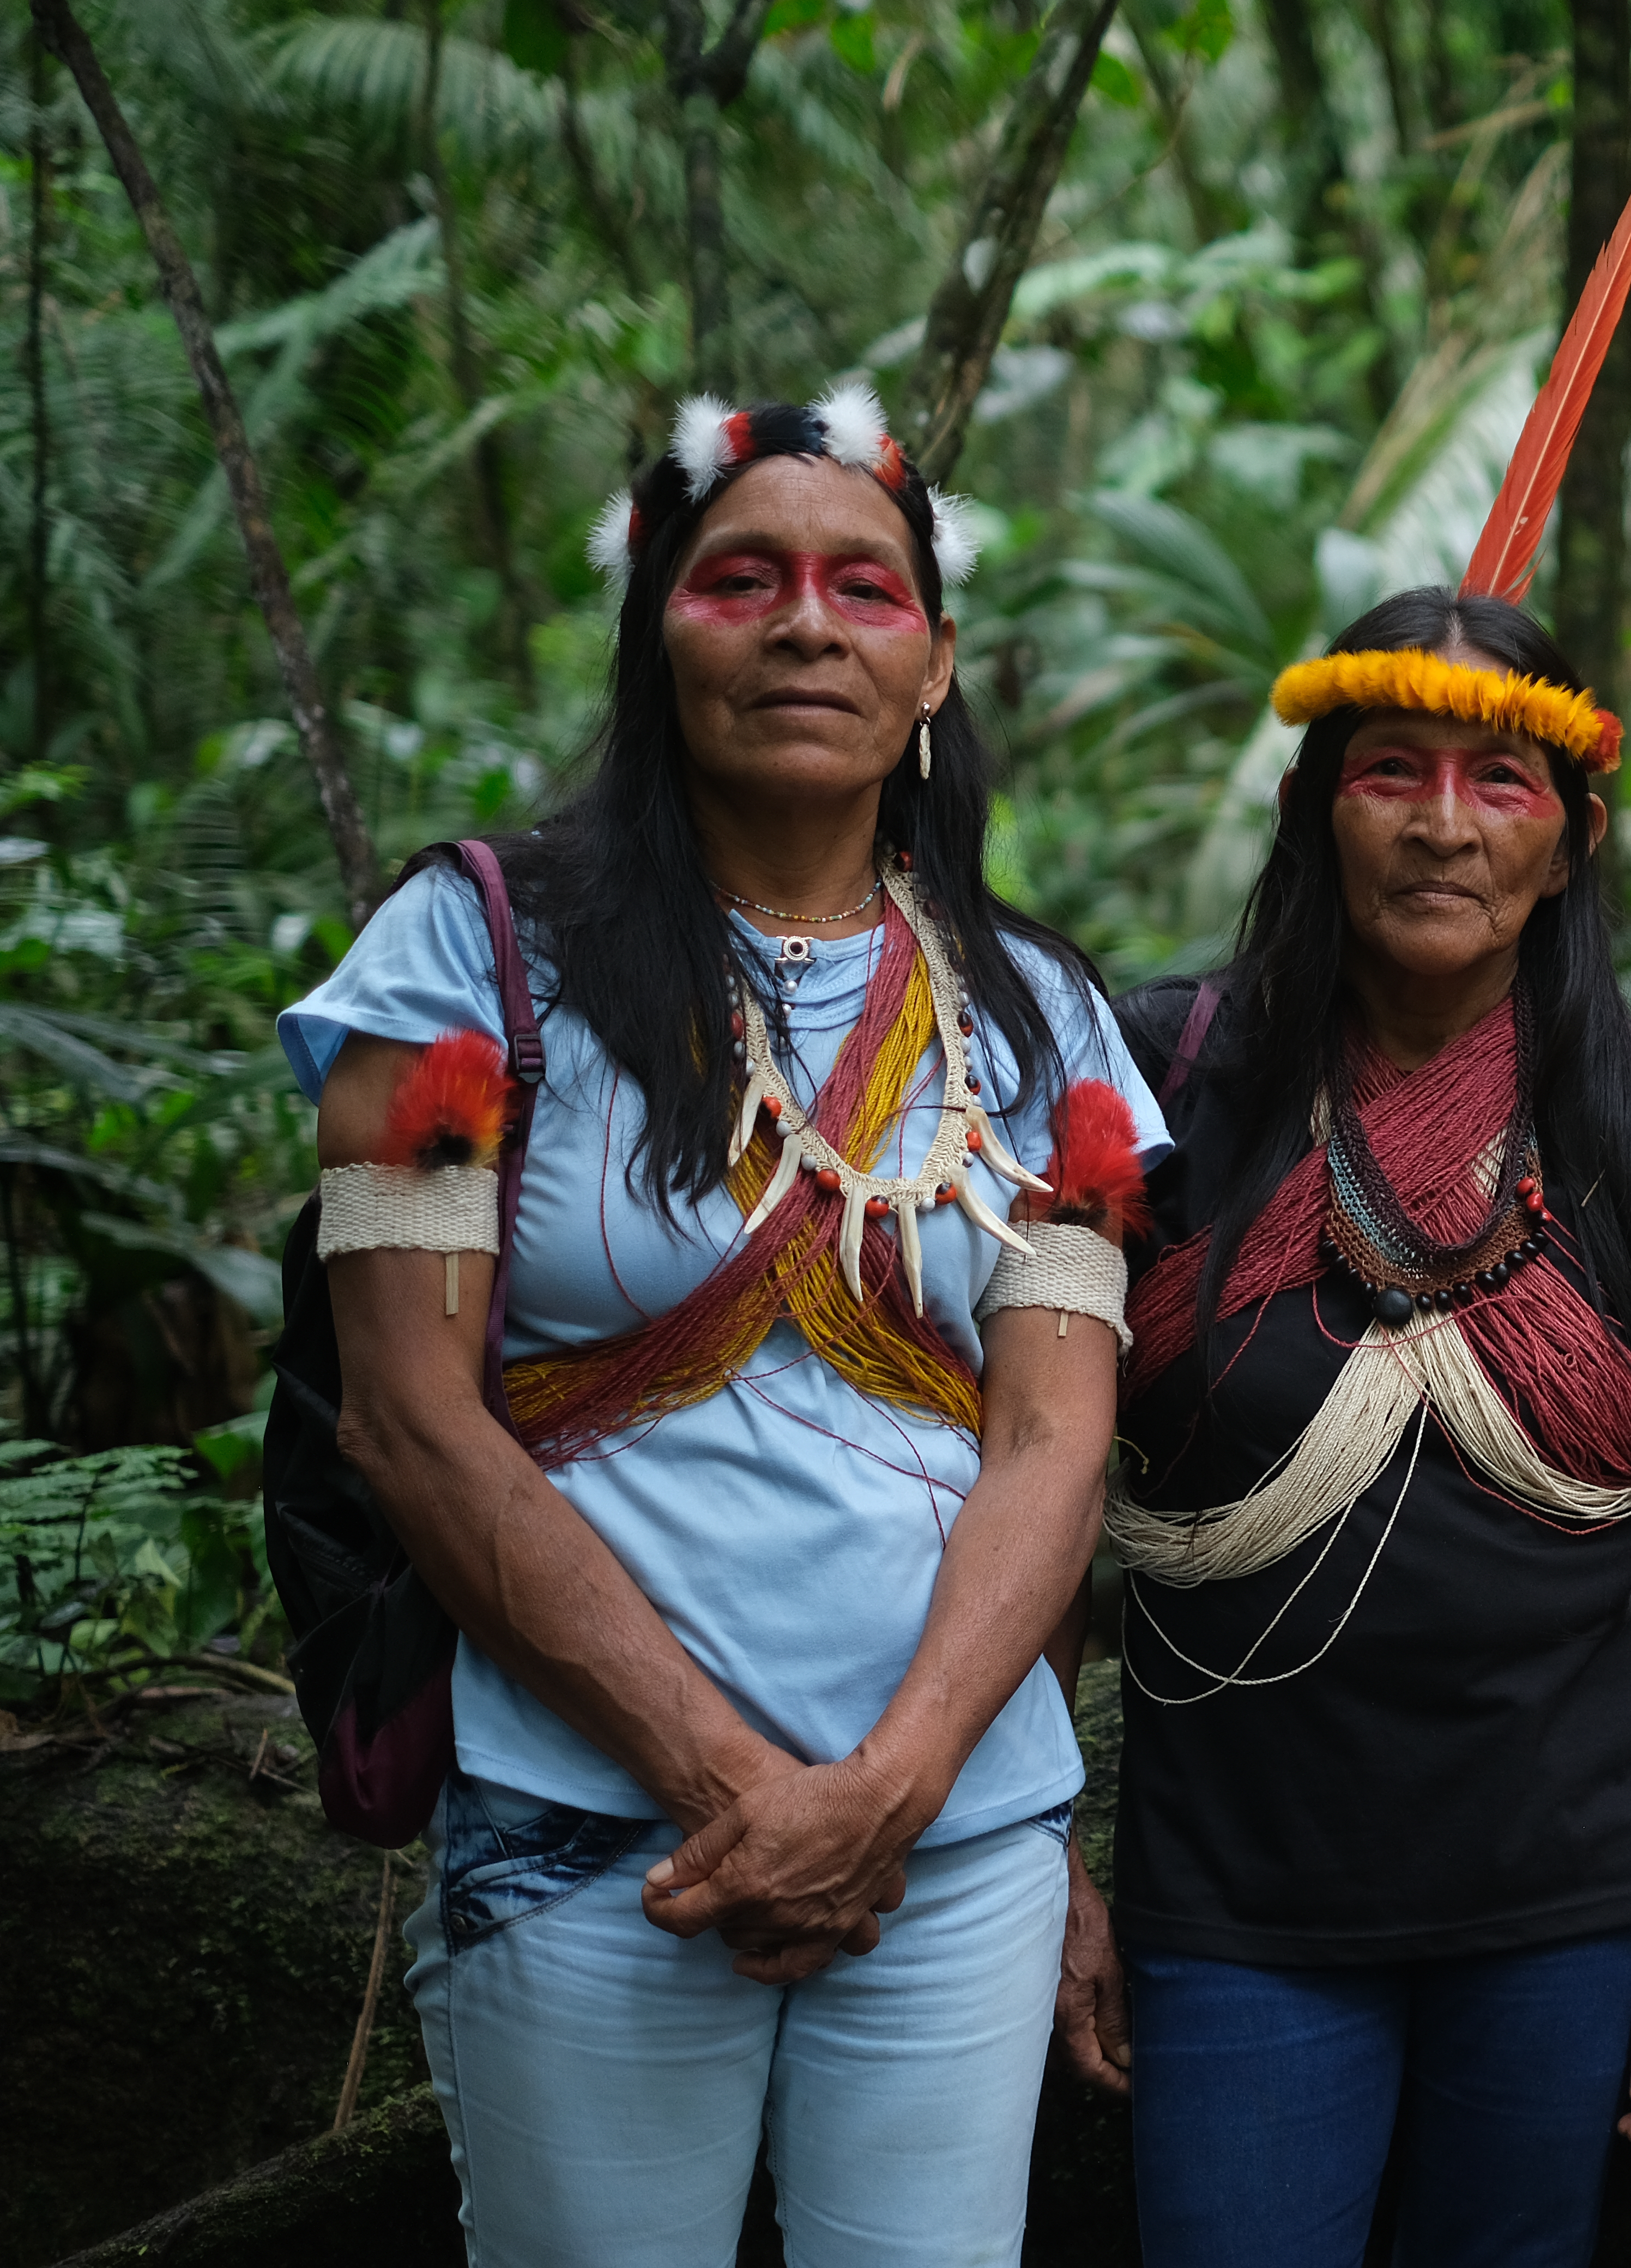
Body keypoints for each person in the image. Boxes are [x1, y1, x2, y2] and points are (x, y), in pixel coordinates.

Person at [285, 384, 1161, 2265]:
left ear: (934, 669)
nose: (806, 624)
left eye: (865, 587)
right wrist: (735, 1790)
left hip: (949, 1849)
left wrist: (893, 1792)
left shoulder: (1047, 1031)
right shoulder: (463, 961)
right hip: (588, 1823)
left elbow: (1055, 1437)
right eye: (740, 578)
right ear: (655, 633)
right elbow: (410, 1416)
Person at [1054, 584, 1631, 2268]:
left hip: (1570, 1904)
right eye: (1392, 771)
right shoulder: (1167, 1084)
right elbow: (1046, 1484)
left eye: (1502, 783)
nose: (1445, 826)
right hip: (1236, 1900)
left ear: (1576, 835)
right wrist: (1049, 1877)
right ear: (1318, 808)